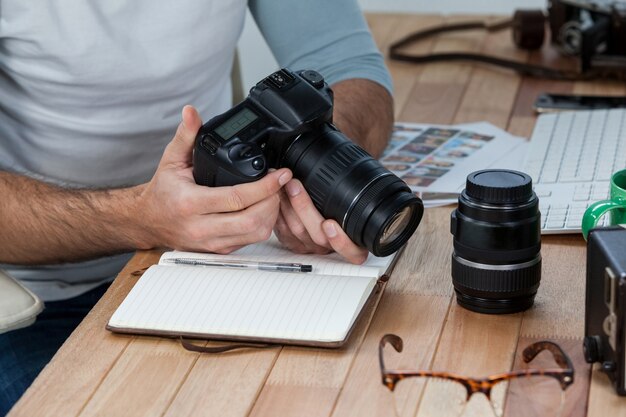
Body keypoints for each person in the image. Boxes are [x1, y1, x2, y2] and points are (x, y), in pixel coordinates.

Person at [0, 0, 393, 413]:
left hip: (217, 264)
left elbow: (351, 66)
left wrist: (313, 175)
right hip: (35, 299)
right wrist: (141, 218)